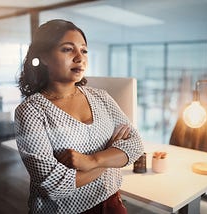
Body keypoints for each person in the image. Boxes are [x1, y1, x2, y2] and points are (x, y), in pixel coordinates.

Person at [14, 19, 144, 214]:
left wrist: (92, 160)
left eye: (84, 50)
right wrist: (110, 154)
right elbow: (52, 185)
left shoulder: (101, 97)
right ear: (43, 57)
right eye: (68, 49)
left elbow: (136, 146)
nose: (79, 58)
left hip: (112, 203)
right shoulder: (30, 111)